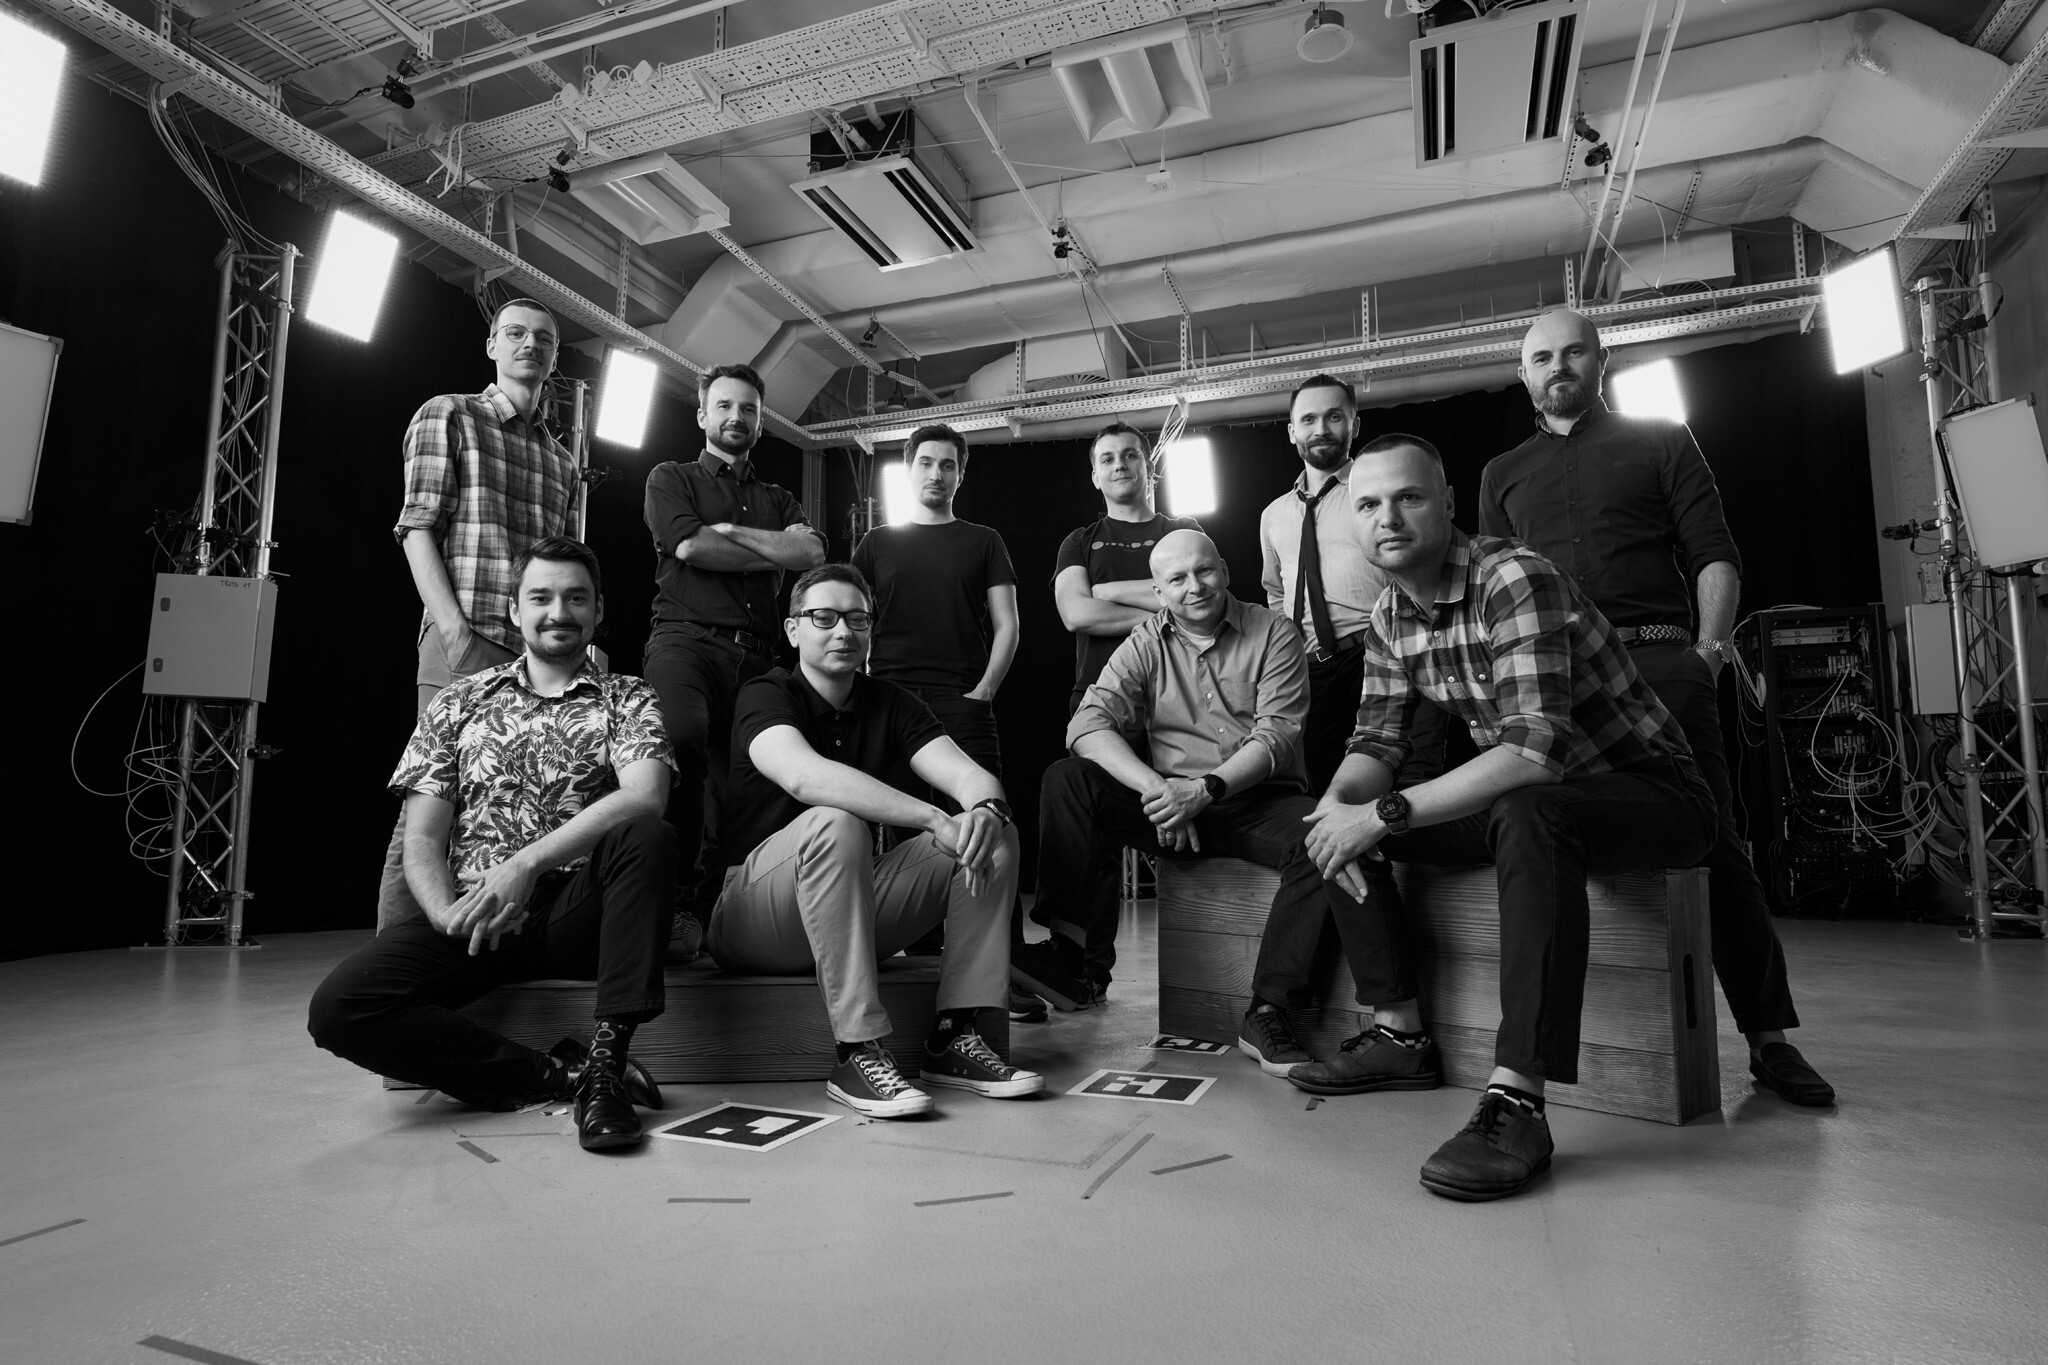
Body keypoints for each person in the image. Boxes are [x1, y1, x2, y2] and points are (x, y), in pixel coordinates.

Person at [1248, 435, 1717, 1201]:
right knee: (1335, 817)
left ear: (1447, 503)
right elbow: (1376, 741)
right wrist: (1340, 810)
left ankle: (1518, 1100)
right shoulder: (1390, 614)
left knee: (1523, 809)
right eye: (1367, 504)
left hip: (1650, 791)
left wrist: (1382, 813)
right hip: (1534, 802)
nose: (1387, 518)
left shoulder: (1512, 578)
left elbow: (1533, 752)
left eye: (1408, 497)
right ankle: (1399, 1031)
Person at [1477, 309, 1834, 1108]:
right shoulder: (1502, 472)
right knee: (1541, 826)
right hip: (1552, 677)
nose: (1558, 366)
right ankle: (1552, 1056)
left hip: (1660, 662)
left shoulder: (1663, 439)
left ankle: (1769, 1039)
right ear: (1523, 373)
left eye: (1573, 351)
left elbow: (1714, 552)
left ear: (1600, 360)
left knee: (1715, 840)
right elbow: (1495, 587)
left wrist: (1706, 655)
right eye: (1542, 356)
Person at [310, 537, 678, 1153]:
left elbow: (646, 796)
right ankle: (561, 1076)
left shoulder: (628, 697)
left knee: (646, 835)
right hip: (479, 914)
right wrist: (443, 914)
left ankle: (606, 1067)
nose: (558, 612)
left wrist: (525, 864)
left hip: (577, 915)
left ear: (598, 610)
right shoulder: (458, 701)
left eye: (576, 598)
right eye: (541, 597)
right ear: (513, 610)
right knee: (338, 1008)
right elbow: (422, 837)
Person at [703, 564, 1040, 1118]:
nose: (843, 631)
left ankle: (956, 1036)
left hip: (849, 910)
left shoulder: (891, 702)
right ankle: (857, 1052)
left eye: (856, 619)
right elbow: (804, 777)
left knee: (993, 834)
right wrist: (932, 817)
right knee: (836, 822)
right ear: (793, 630)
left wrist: (984, 807)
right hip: (756, 918)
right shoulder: (764, 694)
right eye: (823, 617)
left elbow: (972, 777)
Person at [1015, 529, 1360, 1018]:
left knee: (1323, 842)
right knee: (1069, 779)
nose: (1194, 587)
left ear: (1224, 571)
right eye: (1177, 579)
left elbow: (1277, 737)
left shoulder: (1274, 631)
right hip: (1175, 812)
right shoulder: (1145, 641)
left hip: (1259, 801)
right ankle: (1069, 961)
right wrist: (1160, 791)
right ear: (1159, 592)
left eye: (1204, 571)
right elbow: (1086, 724)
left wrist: (1204, 790)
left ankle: (1270, 1011)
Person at [378, 298, 579, 932]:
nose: (529, 344)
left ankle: (483, 953)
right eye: (515, 333)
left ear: (555, 357)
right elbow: (417, 528)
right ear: (492, 345)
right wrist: (454, 633)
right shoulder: (449, 414)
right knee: (430, 807)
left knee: (516, 808)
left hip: (533, 658)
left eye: (543, 337)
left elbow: (564, 568)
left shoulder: (562, 461)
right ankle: (394, 960)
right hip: (464, 641)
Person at [851, 424, 1039, 1021]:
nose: (936, 473)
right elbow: (851, 619)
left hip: (963, 699)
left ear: (961, 473)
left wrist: (985, 689)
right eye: (926, 463)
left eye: (948, 465)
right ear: (908, 469)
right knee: (907, 831)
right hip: (889, 699)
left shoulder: (983, 540)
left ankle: (1004, 971)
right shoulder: (876, 543)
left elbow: (1008, 625)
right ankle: (924, 959)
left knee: (989, 823)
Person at [642, 364, 826, 943]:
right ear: (702, 415)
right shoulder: (670, 478)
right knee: (680, 740)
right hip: (686, 641)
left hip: (760, 658)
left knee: (757, 776)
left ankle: (731, 908)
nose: (735, 417)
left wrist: (730, 533)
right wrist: (772, 549)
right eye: (723, 406)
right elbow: (690, 547)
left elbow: (811, 554)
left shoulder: (779, 497)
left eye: (748, 409)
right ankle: (673, 904)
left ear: (760, 423)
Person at [1261, 374, 1450, 797]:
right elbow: (1275, 591)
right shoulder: (1273, 515)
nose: (1321, 429)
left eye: (1334, 417)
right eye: (1308, 419)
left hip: (1381, 653)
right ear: (1292, 431)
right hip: (1306, 669)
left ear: (1354, 424)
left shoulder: (1379, 498)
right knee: (1324, 786)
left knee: (1405, 781)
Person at [1052, 422, 1204, 712]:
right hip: (1102, 693)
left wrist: (1105, 592)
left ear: (1149, 467)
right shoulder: (1079, 541)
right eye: (1107, 459)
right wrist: (1163, 617)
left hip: (1181, 690)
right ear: (1096, 477)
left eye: (1130, 455)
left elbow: (1197, 593)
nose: (1119, 465)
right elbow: (1076, 614)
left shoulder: (1183, 530)